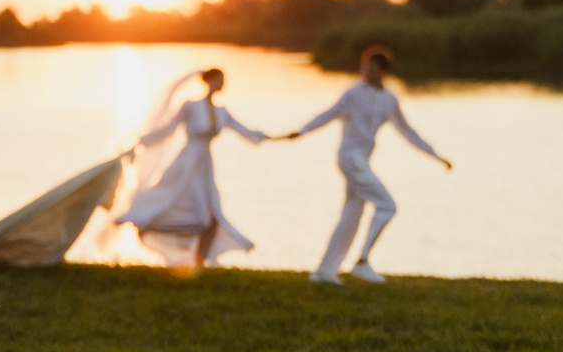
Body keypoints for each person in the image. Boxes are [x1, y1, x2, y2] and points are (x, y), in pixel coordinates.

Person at [285, 45, 451, 284]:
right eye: (364, 67)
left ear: (383, 71)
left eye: (371, 68)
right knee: (387, 205)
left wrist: (435, 155)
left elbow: (407, 131)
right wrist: (302, 131)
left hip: (362, 160)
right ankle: (362, 263)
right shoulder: (353, 93)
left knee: (351, 215)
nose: (366, 72)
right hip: (350, 158)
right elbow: (328, 114)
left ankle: (324, 272)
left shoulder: (389, 99)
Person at [112, 68, 270, 274]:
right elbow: (168, 130)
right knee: (176, 204)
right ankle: (139, 222)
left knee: (211, 215)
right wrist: (141, 143)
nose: (222, 84)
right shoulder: (191, 106)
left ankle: (198, 264)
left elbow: (245, 131)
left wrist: (272, 137)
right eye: (219, 80)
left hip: (205, 165)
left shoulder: (222, 111)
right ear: (209, 81)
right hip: (186, 162)